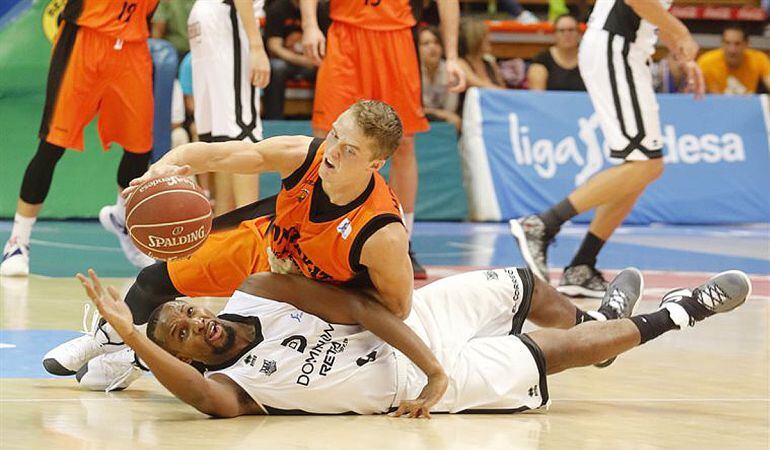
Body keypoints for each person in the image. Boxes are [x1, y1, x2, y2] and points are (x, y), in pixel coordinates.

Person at [42, 101, 418, 383]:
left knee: (222, 342)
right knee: (154, 280)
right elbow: (219, 154)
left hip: (314, 294)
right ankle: (105, 339)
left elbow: (397, 309)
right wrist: (162, 171)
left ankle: (138, 363)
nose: (332, 150)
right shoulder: (304, 155)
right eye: (335, 133)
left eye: (349, 149)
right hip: (273, 247)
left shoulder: (381, 233)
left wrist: (326, 307)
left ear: (375, 164)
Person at [76, 261, 751, 417]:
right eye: (182, 337)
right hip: (404, 388)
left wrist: (431, 364)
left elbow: (355, 306)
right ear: (186, 355)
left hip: (417, 333)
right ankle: (687, 311)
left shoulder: (258, 290)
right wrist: (138, 336)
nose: (195, 325)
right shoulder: (234, 387)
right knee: (554, 356)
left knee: (529, 286)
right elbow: (200, 399)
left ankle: (595, 322)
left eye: (187, 313)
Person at [510, 0, 705, 297]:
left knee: (640, 168)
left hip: (626, 49)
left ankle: (582, 265)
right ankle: (541, 225)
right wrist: (681, 33)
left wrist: (680, 49)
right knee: (646, 165)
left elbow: (650, 11)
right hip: (615, 48)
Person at [301, 0, 467, 280]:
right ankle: (316, 237)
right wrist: (309, 25)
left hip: (396, 37)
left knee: (404, 142)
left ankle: (402, 240)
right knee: (328, 139)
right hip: (345, 34)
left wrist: (451, 55)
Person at [0, 0, 161, 276]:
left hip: (132, 43)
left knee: (139, 148)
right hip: (85, 38)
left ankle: (122, 218)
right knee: (52, 145)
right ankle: (18, 242)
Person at [187, 0, 270, 216]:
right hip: (228, 17)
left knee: (222, 138)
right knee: (243, 135)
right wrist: (257, 46)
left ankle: (223, 233)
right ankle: (250, 234)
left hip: (205, 20)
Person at [262, 0, 329, 119]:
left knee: (327, 69)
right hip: (286, 61)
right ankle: (273, 119)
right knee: (276, 67)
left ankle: (322, 118)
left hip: (314, 61)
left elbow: (328, 45)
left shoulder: (321, 10)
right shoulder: (278, 8)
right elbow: (274, 46)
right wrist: (301, 60)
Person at [697, 24, 770, 95]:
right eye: (727, 43)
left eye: (737, 44)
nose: (732, 50)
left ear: (746, 44)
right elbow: (693, 93)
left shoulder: (759, 59)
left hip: (746, 105)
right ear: (722, 43)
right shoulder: (706, 62)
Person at [527, 14, 586, 91]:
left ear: (579, 33)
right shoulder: (542, 60)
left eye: (571, 30)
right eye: (561, 31)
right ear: (554, 34)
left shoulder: (589, 59)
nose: (567, 34)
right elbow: (537, 97)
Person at [418, 26, 461, 131]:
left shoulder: (451, 72)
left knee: (456, 121)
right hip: (419, 119)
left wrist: (431, 112)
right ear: (417, 48)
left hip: (443, 119)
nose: (432, 47)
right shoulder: (412, 72)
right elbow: (413, 110)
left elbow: (450, 111)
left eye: (436, 42)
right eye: (426, 44)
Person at [458, 18, 505, 89]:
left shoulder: (490, 63)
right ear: (475, 39)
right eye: (485, 36)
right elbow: (475, 83)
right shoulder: (460, 63)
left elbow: (503, 88)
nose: (489, 39)